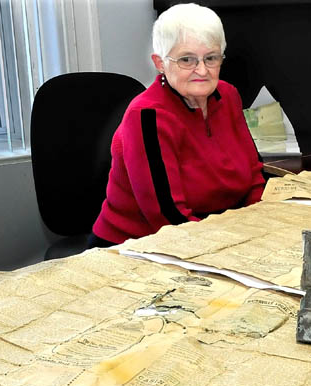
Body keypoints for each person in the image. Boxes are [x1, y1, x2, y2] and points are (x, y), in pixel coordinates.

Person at [89, 3, 265, 248]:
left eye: (211, 58)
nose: (202, 70)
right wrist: (234, 246)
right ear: (160, 63)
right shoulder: (147, 116)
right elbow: (168, 219)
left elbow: (255, 175)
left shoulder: (228, 95)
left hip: (216, 233)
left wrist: (260, 229)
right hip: (137, 246)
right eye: (187, 60)